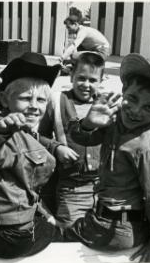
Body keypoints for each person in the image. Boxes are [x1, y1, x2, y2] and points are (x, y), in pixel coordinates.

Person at [59, 53, 150, 262]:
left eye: (149, 107)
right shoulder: (115, 121)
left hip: (118, 229)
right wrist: (88, 123)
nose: (136, 111)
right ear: (124, 90)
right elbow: (80, 138)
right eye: (132, 98)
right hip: (102, 219)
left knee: (59, 234)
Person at [0, 52, 60, 259]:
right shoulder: (3, 130)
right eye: (26, 98)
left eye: (41, 100)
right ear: (4, 98)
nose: (35, 105)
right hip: (10, 237)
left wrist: (54, 146)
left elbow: (31, 143)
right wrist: (0, 131)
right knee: (53, 229)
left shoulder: (12, 124)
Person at [38, 51, 105, 227]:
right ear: (72, 77)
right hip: (72, 189)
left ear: (101, 81)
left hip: (104, 188)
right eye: (81, 78)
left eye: (93, 80)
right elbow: (37, 136)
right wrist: (56, 147)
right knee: (71, 233)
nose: (86, 84)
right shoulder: (57, 101)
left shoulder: (106, 105)